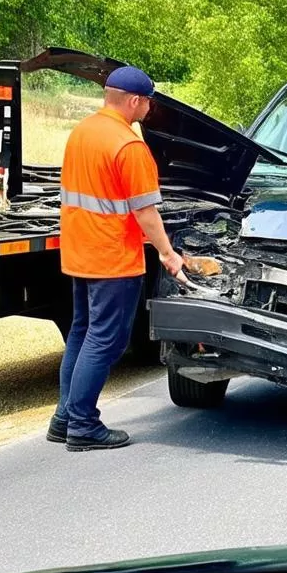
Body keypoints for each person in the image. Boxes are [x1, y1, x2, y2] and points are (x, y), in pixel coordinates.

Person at [47, 66, 184, 451]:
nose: (149, 108)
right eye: (148, 102)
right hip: (113, 258)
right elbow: (145, 213)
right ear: (136, 101)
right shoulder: (129, 146)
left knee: (82, 333)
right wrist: (168, 253)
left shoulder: (83, 132)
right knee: (106, 340)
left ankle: (64, 418)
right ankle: (84, 425)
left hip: (80, 253)